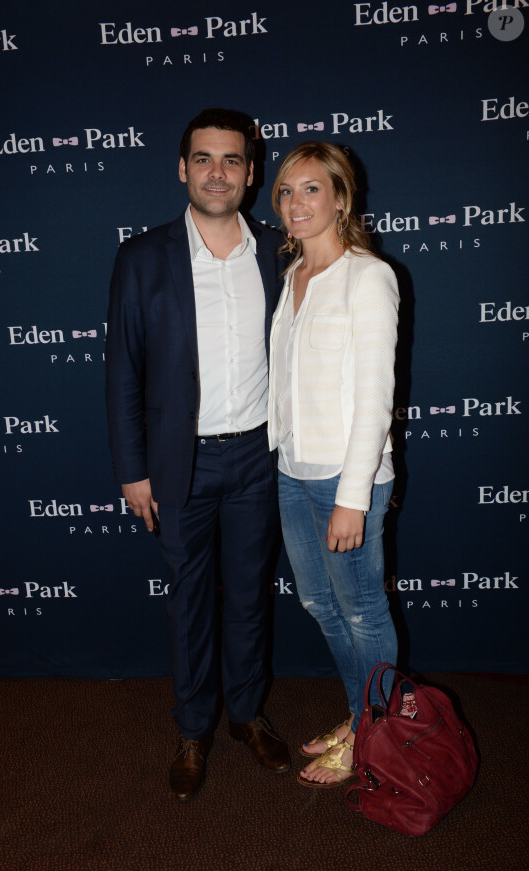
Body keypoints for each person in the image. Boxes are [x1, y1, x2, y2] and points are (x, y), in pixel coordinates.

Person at [105, 108, 290, 802]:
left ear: (250, 171)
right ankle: (193, 728)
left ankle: (245, 714)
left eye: (232, 160)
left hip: (257, 459)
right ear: (183, 169)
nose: (218, 172)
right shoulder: (142, 256)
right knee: (189, 603)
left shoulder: (278, 251)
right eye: (204, 159)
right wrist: (133, 468)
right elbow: (122, 370)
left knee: (248, 599)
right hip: (178, 464)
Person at [268, 142, 399, 787]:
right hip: (293, 474)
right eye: (287, 191)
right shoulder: (291, 279)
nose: (296, 203)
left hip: (346, 481)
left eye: (311, 189)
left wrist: (354, 496)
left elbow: (375, 398)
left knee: (363, 612)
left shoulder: (368, 277)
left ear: (342, 198)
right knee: (320, 603)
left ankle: (378, 740)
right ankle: (362, 716)